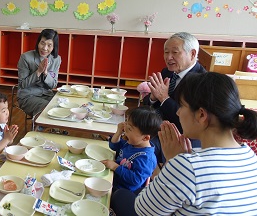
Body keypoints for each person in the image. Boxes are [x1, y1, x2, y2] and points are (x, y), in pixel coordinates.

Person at [112, 72, 257, 215]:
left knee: (121, 196)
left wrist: (172, 162)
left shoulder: (187, 166)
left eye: (181, 106)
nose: (178, 113)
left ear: (201, 115)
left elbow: (143, 209)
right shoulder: (250, 156)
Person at [143, 32, 206, 162]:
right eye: (166, 52)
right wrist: (153, 98)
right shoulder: (167, 72)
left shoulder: (201, 81)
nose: (168, 57)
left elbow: (189, 120)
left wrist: (164, 98)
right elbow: (150, 102)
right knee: (127, 134)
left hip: (180, 138)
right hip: (156, 126)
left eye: (175, 52)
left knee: (138, 149)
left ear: (192, 54)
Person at [101, 107, 162, 194]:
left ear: (145, 137)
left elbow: (136, 180)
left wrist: (115, 167)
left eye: (129, 128)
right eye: (126, 124)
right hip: (112, 177)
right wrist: (118, 132)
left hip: (121, 190)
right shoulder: (132, 142)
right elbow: (114, 146)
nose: (125, 129)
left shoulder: (146, 158)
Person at [17, 28, 61, 117]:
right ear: (38, 42)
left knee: (62, 106)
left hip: (46, 94)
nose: (45, 48)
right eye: (42, 43)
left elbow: (53, 85)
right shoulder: (25, 57)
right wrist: (38, 72)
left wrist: (46, 74)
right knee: (48, 108)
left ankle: (54, 129)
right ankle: (39, 129)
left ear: (54, 47)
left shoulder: (56, 59)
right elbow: (22, 84)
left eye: (49, 45)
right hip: (28, 96)